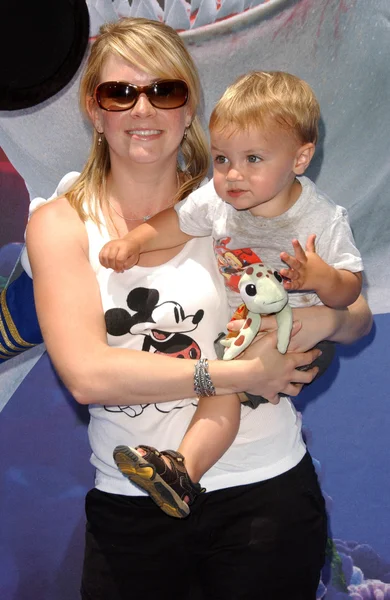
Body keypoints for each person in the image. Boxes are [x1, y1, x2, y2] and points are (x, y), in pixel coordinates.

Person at [25, 19, 372, 600]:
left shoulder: (236, 197)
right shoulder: (60, 223)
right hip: (135, 507)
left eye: (164, 90)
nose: (143, 109)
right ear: (94, 108)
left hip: (267, 495)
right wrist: (242, 374)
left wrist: (331, 320)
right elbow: (88, 377)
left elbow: (354, 312)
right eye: (120, 92)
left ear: (189, 106)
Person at [99, 70, 364, 519]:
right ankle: (181, 475)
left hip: (298, 333)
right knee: (228, 379)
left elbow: (350, 291)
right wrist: (137, 241)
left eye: (253, 159)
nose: (232, 174)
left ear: (300, 159)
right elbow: (178, 222)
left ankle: (182, 471)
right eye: (221, 159)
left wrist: (321, 278)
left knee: (227, 381)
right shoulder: (218, 202)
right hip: (247, 329)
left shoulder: (321, 217)